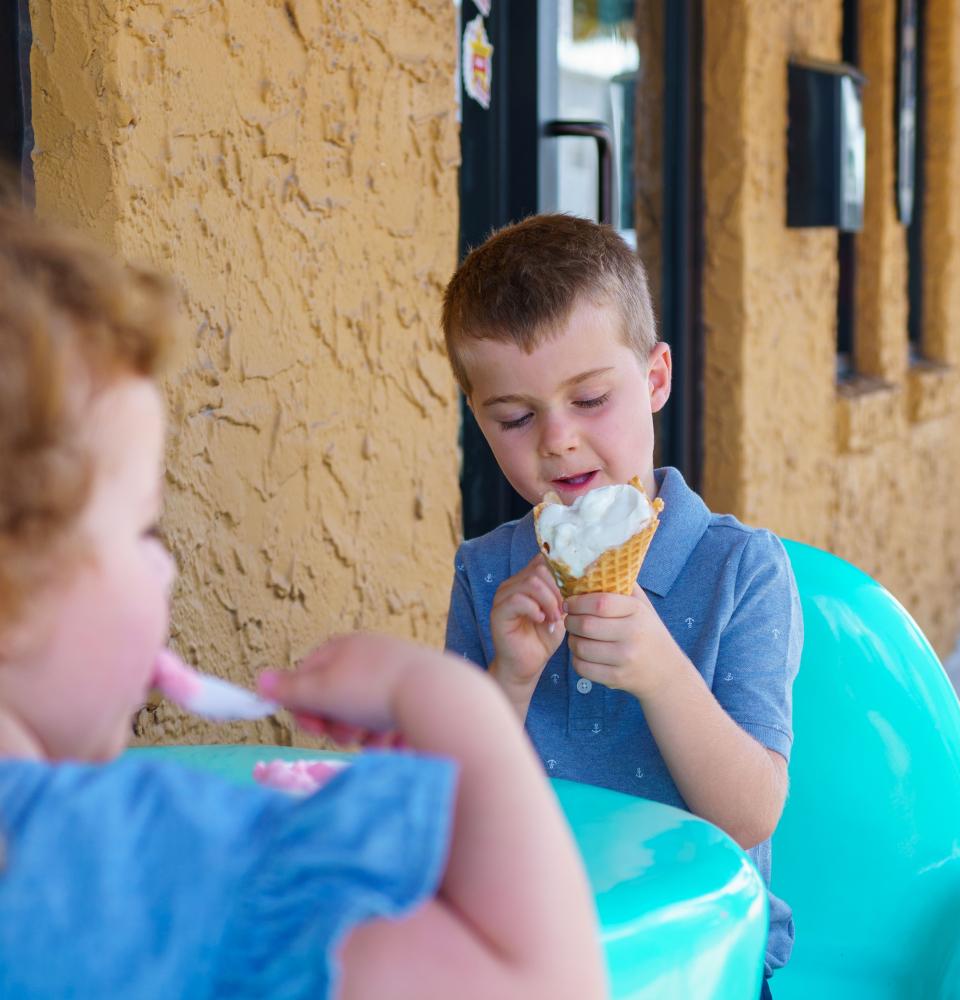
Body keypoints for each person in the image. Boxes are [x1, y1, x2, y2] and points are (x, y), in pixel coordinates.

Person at [0, 200, 606, 1000]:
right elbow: (544, 983)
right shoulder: (128, 862)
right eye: (142, 531)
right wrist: (451, 705)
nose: (165, 570)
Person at [442, 213, 803, 998]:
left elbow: (749, 816)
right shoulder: (484, 577)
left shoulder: (741, 570)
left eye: (591, 398)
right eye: (515, 416)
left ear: (656, 379)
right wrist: (507, 678)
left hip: (701, 957)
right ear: (480, 421)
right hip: (527, 956)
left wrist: (662, 674)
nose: (559, 440)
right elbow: (446, 809)